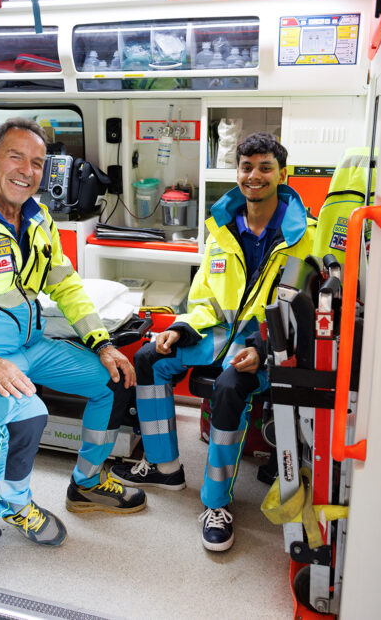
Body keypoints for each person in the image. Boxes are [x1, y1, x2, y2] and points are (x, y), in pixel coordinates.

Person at [0, 117, 145, 547]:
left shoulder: (38, 221)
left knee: (112, 382)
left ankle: (87, 482)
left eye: (37, 162)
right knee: (29, 412)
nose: (27, 170)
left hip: (30, 345)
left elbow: (66, 286)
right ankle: (13, 503)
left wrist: (103, 343)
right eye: (15, 157)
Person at [112, 132, 313, 552]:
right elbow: (204, 298)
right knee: (150, 357)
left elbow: (297, 308)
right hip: (216, 336)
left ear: (282, 173)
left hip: (266, 346)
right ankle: (165, 465)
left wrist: (260, 348)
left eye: (264, 168)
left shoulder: (303, 237)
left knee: (228, 389)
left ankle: (216, 503)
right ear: (236, 171)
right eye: (246, 167)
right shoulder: (221, 228)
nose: (254, 176)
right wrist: (180, 329)